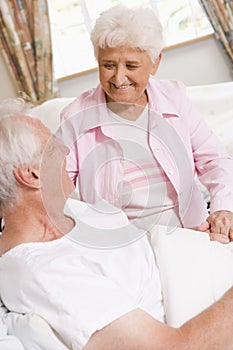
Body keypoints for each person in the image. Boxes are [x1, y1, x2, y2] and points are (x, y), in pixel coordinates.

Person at [0, 100, 233, 350]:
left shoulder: (69, 210)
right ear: (31, 175)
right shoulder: (45, 272)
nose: (67, 153)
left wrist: (190, 242)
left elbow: (139, 251)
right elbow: (173, 347)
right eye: (54, 149)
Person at [59, 4, 233, 242]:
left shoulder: (174, 97)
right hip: (126, 246)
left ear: (155, 63)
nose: (119, 78)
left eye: (131, 66)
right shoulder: (75, 117)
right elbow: (56, 193)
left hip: (194, 233)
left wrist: (223, 208)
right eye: (108, 65)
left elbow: (214, 160)